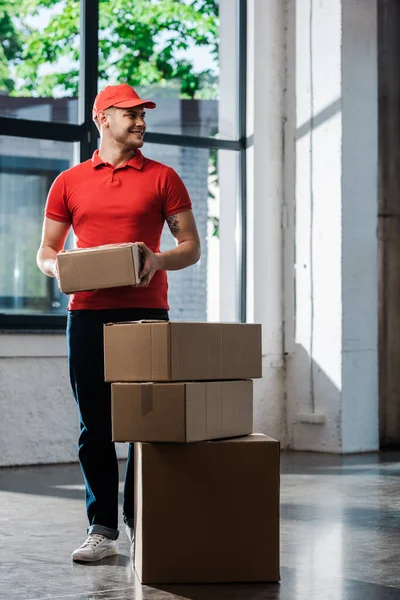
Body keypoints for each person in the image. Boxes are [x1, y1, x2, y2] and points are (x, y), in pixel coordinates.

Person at [36, 84, 201, 562]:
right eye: (131, 115)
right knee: (96, 425)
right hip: (86, 313)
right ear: (103, 119)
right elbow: (47, 250)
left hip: (147, 312)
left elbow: (190, 246)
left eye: (143, 116)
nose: (141, 123)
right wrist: (58, 268)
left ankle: (141, 522)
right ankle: (102, 528)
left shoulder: (164, 178)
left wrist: (158, 259)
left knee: (145, 423)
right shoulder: (68, 181)